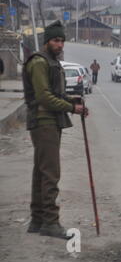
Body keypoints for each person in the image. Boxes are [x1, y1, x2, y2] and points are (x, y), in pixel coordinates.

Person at [22, 20, 89, 240]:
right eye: (55, 40)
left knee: (40, 171)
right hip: (44, 122)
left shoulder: (52, 61)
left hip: (50, 120)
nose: (60, 44)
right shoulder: (40, 62)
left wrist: (72, 99)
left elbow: (55, 93)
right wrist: (71, 107)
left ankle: (38, 220)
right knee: (51, 172)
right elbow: (43, 96)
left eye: (62, 41)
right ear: (47, 41)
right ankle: (50, 222)